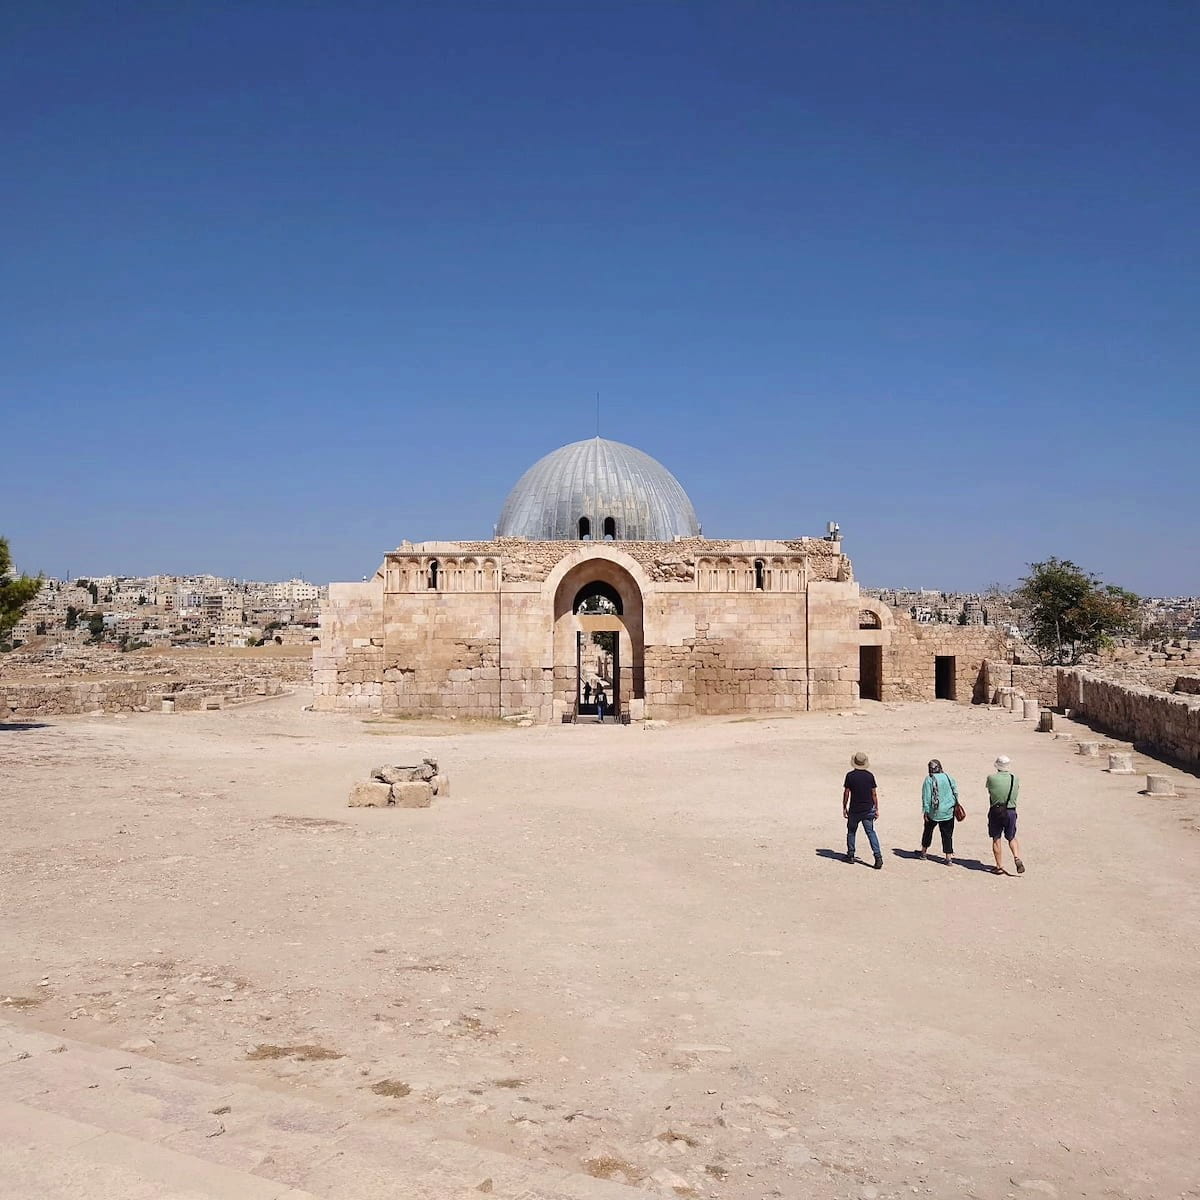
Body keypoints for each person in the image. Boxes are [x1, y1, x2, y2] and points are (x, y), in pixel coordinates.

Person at [842, 751, 883, 869]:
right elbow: (874, 794)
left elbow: (846, 793)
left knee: (851, 832)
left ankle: (850, 855)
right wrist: (876, 808)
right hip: (868, 809)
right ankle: (878, 856)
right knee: (871, 833)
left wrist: (844, 807)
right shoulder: (870, 776)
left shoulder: (850, 776)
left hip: (855, 809)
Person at [986, 754, 1025, 875]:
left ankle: (999, 866)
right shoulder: (1015, 778)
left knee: (996, 838)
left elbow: (989, 791)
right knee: (1011, 837)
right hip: (1011, 811)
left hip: (996, 810)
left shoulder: (991, 778)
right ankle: (1017, 857)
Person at [919, 758, 959, 864]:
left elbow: (926, 796)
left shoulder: (929, 779)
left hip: (934, 812)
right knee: (947, 834)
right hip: (948, 811)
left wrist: (926, 811)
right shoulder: (948, 777)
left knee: (928, 831)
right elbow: (955, 791)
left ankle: (923, 852)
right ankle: (948, 857)